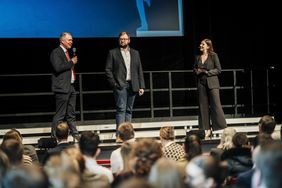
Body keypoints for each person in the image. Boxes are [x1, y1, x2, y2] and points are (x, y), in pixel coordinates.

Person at [105, 31, 145, 133]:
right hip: (120, 85)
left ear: (129, 40)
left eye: (125, 39)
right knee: (121, 109)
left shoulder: (135, 53)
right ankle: (120, 135)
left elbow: (139, 69)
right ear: (119, 40)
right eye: (121, 39)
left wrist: (141, 86)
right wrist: (114, 83)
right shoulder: (113, 53)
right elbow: (108, 70)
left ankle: (128, 134)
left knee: (129, 110)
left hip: (133, 85)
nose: (123, 41)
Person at [193, 38, 227, 139]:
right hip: (201, 83)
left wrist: (207, 72)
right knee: (203, 107)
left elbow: (219, 69)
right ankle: (206, 129)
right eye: (201, 44)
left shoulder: (213, 55)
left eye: (203, 44)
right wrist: (197, 71)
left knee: (216, 105)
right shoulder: (198, 57)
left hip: (212, 83)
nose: (201, 45)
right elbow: (194, 68)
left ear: (208, 46)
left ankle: (219, 127)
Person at [50, 31, 80, 141]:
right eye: (69, 40)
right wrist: (71, 62)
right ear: (62, 41)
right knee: (60, 115)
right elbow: (58, 67)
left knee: (71, 113)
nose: (71, 42)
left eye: (72, 40)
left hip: (70, 86)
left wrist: (71, 62)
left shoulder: (67, 52)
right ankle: (54, 137)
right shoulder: (56, 52)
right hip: (62, 87)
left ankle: (75, 134)